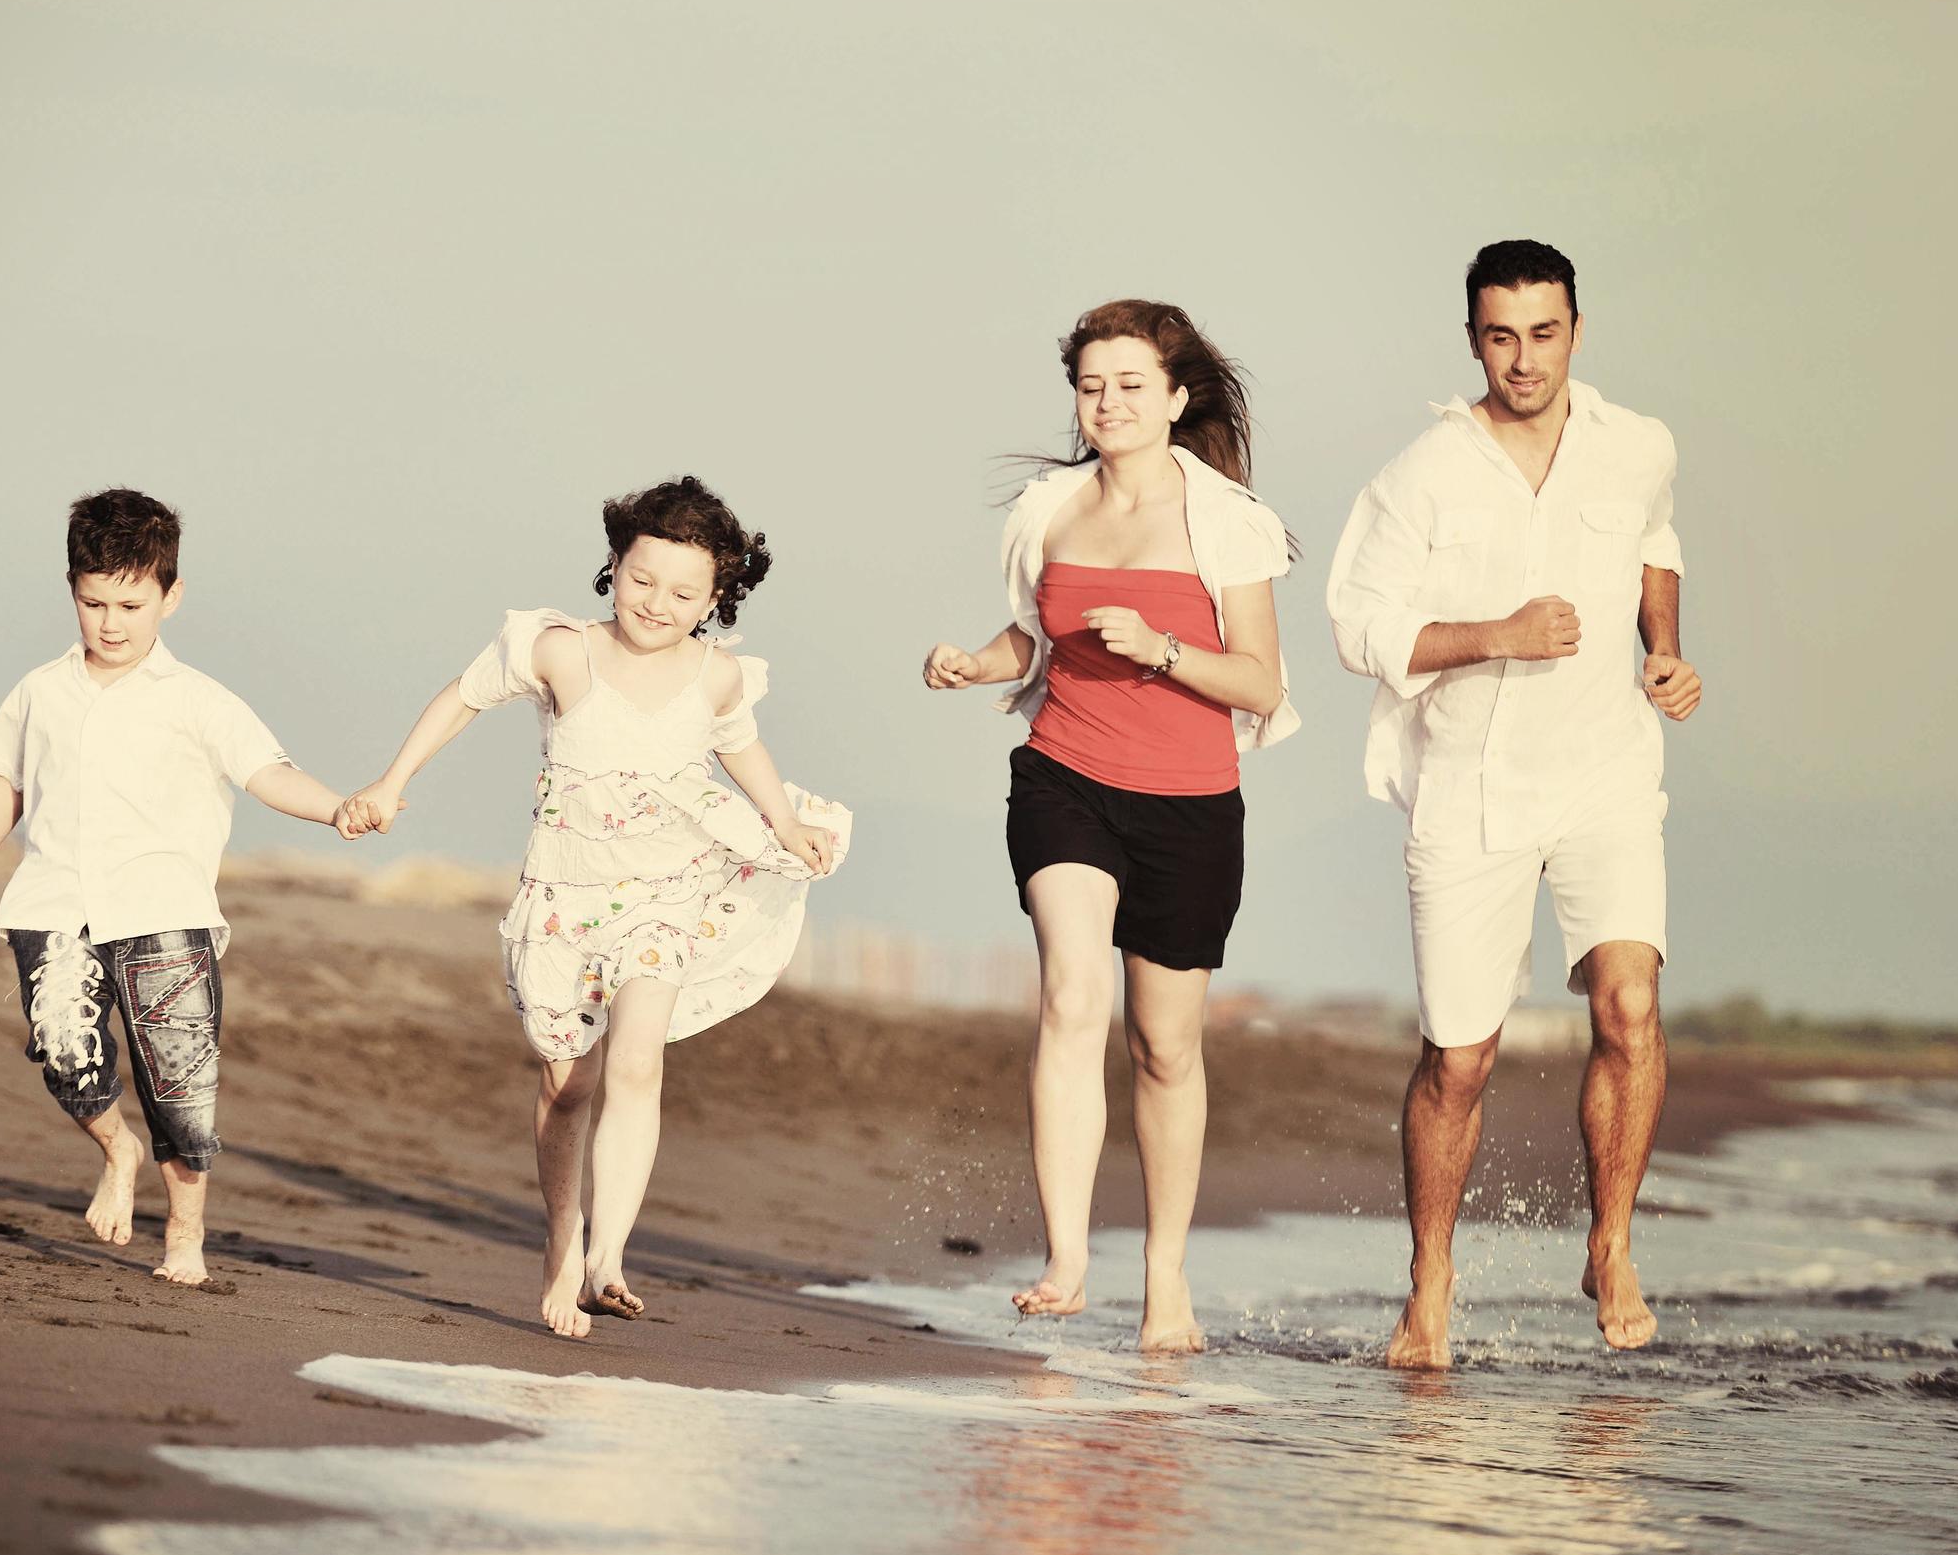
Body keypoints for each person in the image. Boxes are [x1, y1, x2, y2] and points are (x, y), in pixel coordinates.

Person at [337, 476, 847, 1339]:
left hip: (666, 893)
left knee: (638, 1060)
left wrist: (787, 821)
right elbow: (460, 696)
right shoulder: (560, 650)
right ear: (613, 566)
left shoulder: (717, 676)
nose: (659, 604)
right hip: (564, 898)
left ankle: (609, 1254)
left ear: (717, 596)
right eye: (643, 580)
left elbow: (742, 748)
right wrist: (391, 783)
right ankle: (562, 1241)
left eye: (686, 593)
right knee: (567, 1084)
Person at [1324, 239, 1703, 1367]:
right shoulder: (1420, 475)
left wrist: (1668, 651)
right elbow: (1361, 632)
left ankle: (1614, 1242)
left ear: (1576, 330)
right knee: (1461, 1059)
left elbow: (1654, 542)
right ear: (1473, 338)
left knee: (1630, 1005)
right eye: (1501, 336)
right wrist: (1499, 633)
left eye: (1544, 334)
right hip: (1469, 785)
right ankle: (1430, 1282)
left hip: (1606, 773)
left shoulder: (1638, 447)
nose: (1523, 359)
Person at [921, 301, 1296, 1353]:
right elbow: (1034, 641)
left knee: (1166, 1046)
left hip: (1188, 803)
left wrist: (1164, 649)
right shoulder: (1050, 508)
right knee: (1074, 995)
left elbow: (1263, 683)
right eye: (1092, 385)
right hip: (1066, 776)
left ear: (1177, 398)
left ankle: (1165, 1278)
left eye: (1131, 383)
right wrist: (974, 662)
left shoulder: (1228, 522)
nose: (1109, 402)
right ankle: (1068, 1256)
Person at [0, 487, 357, 1286]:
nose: (111, 622)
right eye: (94, 603)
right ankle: (116, 1149)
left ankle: (184, 1232)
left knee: (180, 1084)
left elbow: (267, 772)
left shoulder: (198, 700)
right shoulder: (39, 692)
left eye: (131, 603)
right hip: (53, 905)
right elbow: (6, 787)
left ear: (170, 597)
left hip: (166, 912)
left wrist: (338, 810)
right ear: (71, 591)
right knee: (63, 1050)